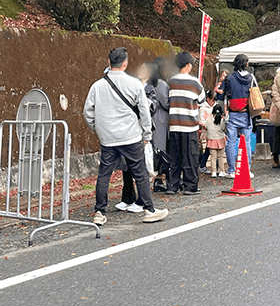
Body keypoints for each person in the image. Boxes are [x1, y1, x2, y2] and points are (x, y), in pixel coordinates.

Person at [83, 47, 168, 225]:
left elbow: (87, 111)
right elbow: (144, 112)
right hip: (131, 136)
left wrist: (96, 128)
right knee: (140, 173)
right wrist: (146, 133)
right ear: (125, 63)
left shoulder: (97, 86)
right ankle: (149, 210)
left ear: (108, 62)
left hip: (107, 138)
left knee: (104, 174)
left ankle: (99, 211)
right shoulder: (135, 84)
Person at [166, 51, 205, 195]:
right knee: (191, 156)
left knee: (174, 157)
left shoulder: (170, 81)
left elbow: (167, 101)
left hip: (174, 125)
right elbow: (202, 100)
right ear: (188, 65)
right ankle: (190, 186)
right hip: (190, 125)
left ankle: (172, 185)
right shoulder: (194, 82)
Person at [220, 53, 258, 180]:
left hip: (233, 113)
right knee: (246, 142)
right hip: (246, 113)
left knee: (230, 142)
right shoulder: (251, 78)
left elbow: (221, 95)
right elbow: (255, 92)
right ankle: (247, 169)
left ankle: (231, 170)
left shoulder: (229, 78)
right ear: (246, 64)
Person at [145, 58, 171, 192]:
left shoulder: (147, 84)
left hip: (151, 119)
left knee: (154, 150)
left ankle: (156, 179)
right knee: (161, 151)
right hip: (160, 119)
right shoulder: (161, 84)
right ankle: (159, 180)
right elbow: (166, 103)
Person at [203, 102, 228, 177]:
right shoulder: (221, 121)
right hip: (220, 139)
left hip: (211, 140)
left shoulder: (208, 120)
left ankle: (213, 172)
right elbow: (224, 129)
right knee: (221, 156)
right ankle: (221, 171)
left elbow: (206, 126)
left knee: (213, 157)